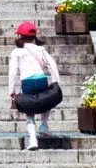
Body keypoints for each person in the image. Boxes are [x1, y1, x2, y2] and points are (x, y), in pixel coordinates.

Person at [9, 21, 61, 151]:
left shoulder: (17, 52)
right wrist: (56, 81)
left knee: (29, 111)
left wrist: (11, 89)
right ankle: (44, 125)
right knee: (46, 101)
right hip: (42, 79)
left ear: (20, 36)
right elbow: (52, 64)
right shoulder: (41, 49)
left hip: (27, 82)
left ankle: (33, 139)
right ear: (34, 36)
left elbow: (13, 72)